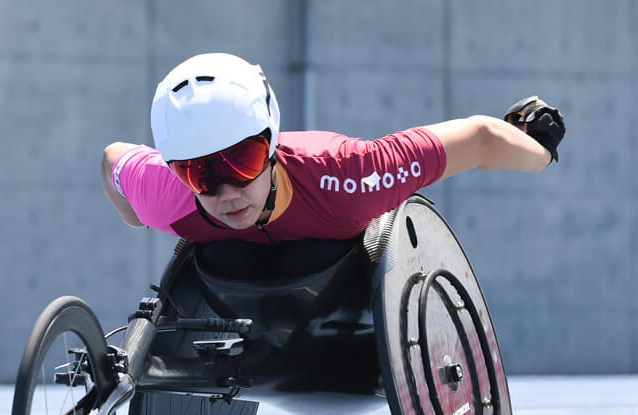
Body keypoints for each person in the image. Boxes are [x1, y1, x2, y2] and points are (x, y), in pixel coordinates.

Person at [100, 52, 564, 279]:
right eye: (200, 175)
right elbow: (112, 160)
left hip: (337, 249)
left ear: (272, 141)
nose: (226, 194)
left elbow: (480, 139)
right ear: (177, 169)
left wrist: (539, 153)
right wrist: (136, 215)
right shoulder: (164, 197)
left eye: (242, 161)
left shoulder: (351, 176)